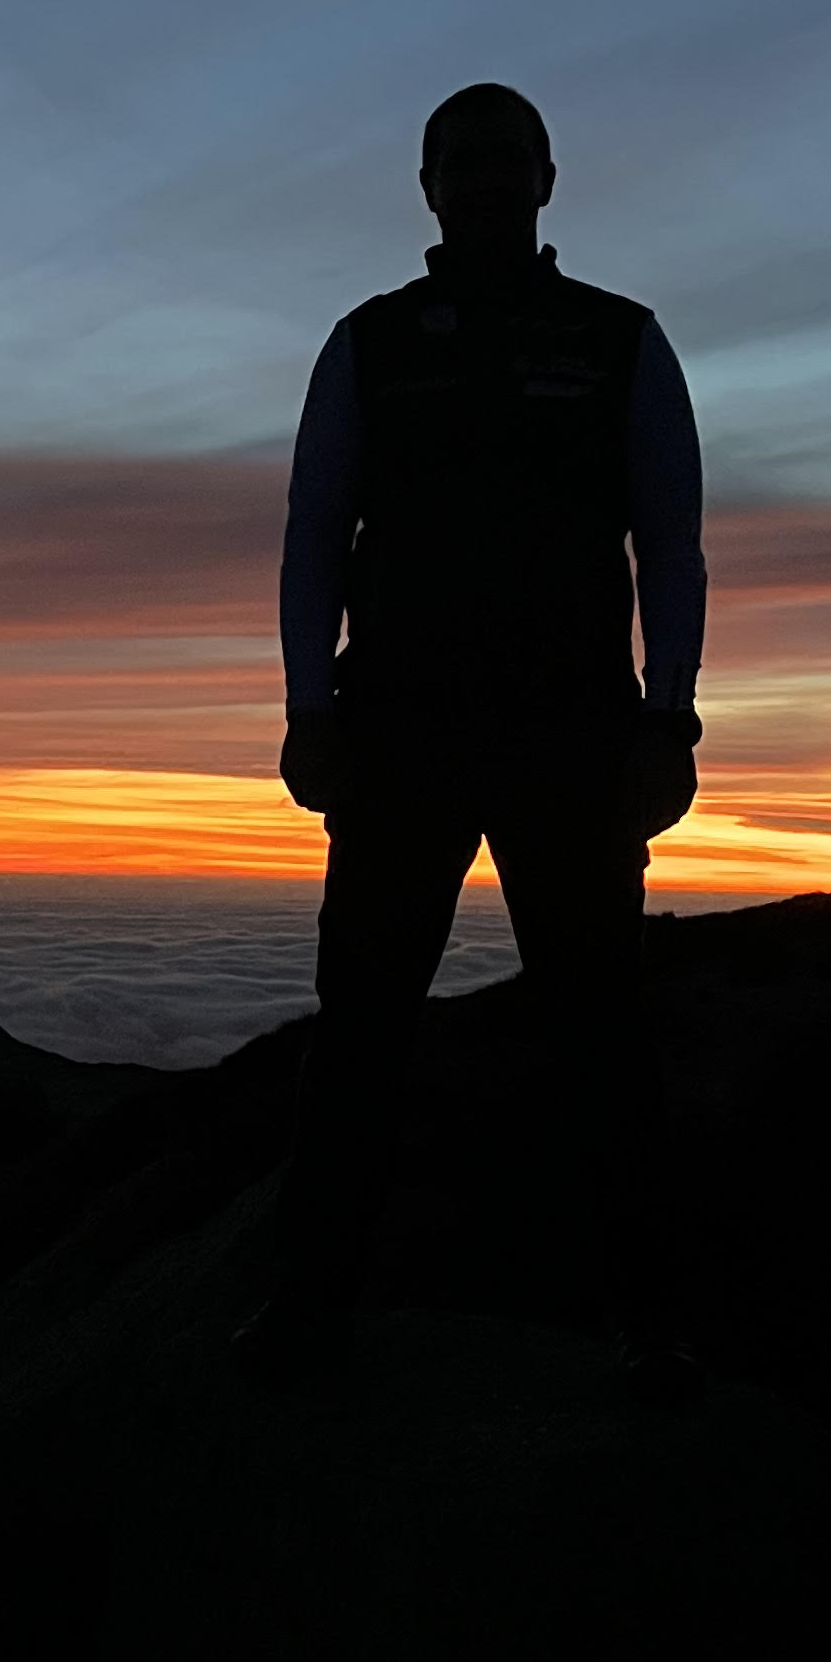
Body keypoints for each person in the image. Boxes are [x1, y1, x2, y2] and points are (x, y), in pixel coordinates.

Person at [239, 80, 706, 1384]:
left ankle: (649, 1318)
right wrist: (309, 712)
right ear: (430, 187)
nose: (489, 179)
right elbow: (313, 539)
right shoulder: (370, 343)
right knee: (362, 1027)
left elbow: (670, 543)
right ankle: (311, 1307)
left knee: (601, 1031)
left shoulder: (619, 341)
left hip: (574, 738)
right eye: (465, 160)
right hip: (399, 734)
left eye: (510, 159)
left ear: (547, 180)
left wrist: (669, 718)